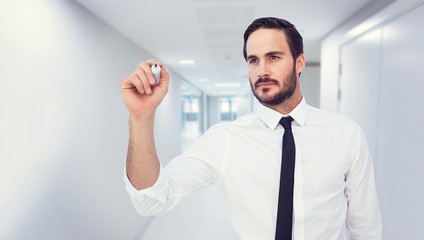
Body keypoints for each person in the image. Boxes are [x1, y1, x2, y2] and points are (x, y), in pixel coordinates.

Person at [120, 17, 382, 239]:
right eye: (253, 60)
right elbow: (151, 200)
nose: (262, 70)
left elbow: (365, 227)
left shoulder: (345, 133)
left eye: (274, 57)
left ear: (299, 63)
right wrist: (141, 117)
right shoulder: (226, 139)